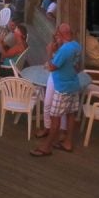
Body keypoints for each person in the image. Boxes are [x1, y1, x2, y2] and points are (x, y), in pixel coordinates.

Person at [30, 23, 81, 156]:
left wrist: (49, 52)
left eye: (57, 33)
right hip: (74, 85)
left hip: (62, 86)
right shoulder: (76, 46)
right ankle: (68, 142)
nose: (56, 36)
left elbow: (52, 67)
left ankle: (46, 147)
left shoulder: (65, 50)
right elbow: (77, 67)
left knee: (55, 118)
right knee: (70, 115)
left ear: (62, 34)